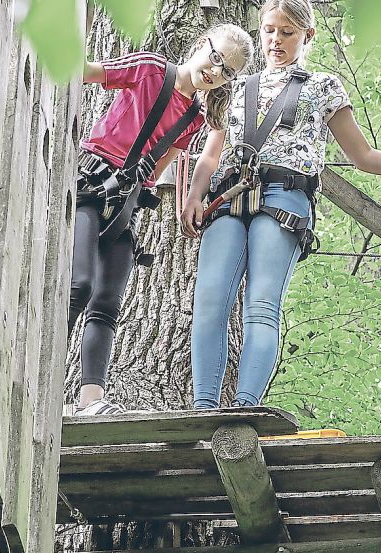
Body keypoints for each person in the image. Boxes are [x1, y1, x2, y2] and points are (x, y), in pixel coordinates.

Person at [180, 0, 381, 410]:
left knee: (262, 304)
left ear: (307, 36)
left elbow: (364, 156)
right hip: (228, 195)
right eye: (269, 30)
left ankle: (245, 408)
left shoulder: (323, 87)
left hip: (284, 196)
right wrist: (194, 195)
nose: (275, 40)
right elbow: (212, 152)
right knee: (210, 301)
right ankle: (203, 407)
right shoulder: (235, 86)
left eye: (286, 32)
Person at [70, 24, 254, 416]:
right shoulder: (151, 69)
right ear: (200, 44)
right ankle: (41, 376)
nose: (215, 71)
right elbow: (88, 71)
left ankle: (89, 400)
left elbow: (159, 163)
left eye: (226, 71)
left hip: (126, 202)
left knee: (106, 302)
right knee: (78, 285)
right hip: (91, 180)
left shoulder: (195, 118)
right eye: (216, 57)